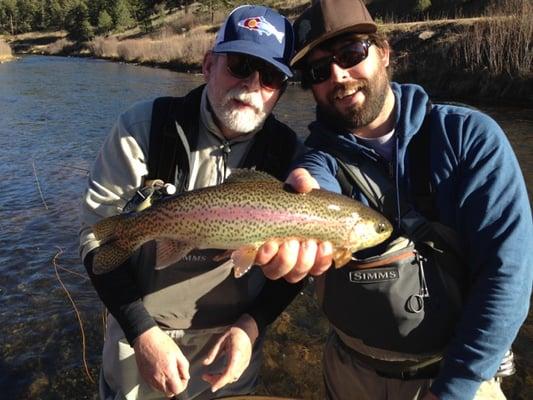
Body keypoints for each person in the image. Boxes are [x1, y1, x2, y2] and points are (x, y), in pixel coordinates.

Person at [255, 0, 533, 399]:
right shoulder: (316, 156)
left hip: (455, 376)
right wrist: (305, 204)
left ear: (384, 52)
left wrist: (455, 388)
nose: (338, 75)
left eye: (351, 54)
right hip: (348, 373)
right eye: (318, 70)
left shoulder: (469, 137)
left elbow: (507, 276)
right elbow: (313, 185)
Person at [79, 5, 304, 400]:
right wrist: (142, 333)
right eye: (240, 65)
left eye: (270, 76)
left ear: (280, 92)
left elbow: (297, 267)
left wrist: (252, 326)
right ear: (207, 65)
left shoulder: (290, 156)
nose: (252, 85)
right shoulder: (143, 130)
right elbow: (96, 241)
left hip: (234, 343)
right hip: (141, 336)